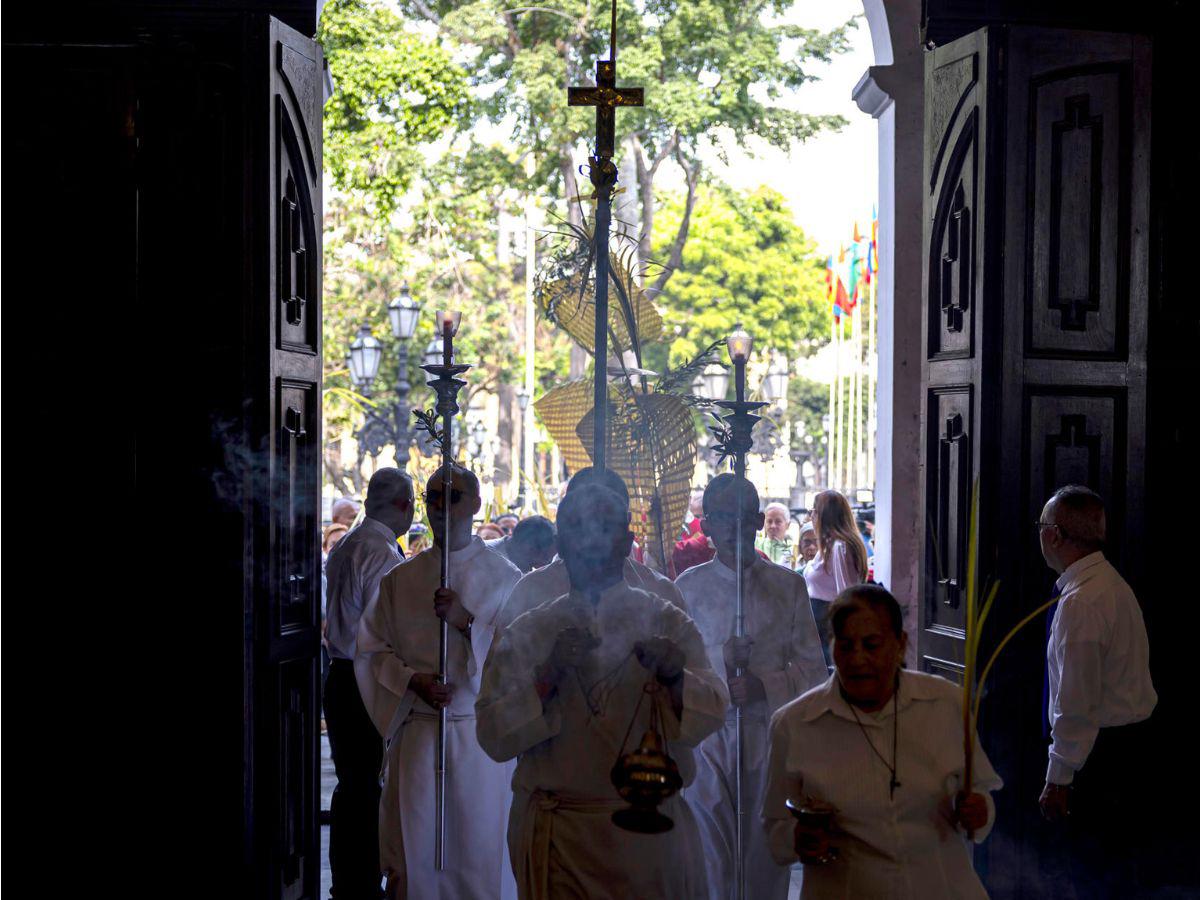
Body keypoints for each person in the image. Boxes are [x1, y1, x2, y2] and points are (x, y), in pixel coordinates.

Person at [476, 484, 729, 899]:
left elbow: (714, 711)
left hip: (648, 836)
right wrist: (548, 676)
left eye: (604, 529)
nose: (592, 541)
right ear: (561, 543)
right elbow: (492, 735)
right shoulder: (532, 628)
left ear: (627, 542)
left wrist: (675, 677)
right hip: (561, 839)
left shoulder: (665, 618)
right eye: (579, 529)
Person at [762, 584, 1002, 899]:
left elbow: (980, 793)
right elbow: (774, 830)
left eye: (872, 645)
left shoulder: (945, 703)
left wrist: (979, 813)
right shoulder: (794, 725)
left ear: (900, 645)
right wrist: (798, 838)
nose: (858, 659)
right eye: (845, 646)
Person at [356, 464, 522, 900]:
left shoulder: (506, 579)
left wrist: (468, 623)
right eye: (432, 497)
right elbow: (372, 651)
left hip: (479, 738)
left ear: (477, 503)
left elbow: (520, 655)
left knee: (479, 855)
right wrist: (413, 681)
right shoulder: (400, 580)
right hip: (422, 733)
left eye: (453, 497)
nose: (440, 508)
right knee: (417, 858)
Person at [676, 475, 826, 900]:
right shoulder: (688, 589)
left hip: (767, 738)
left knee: (765, 857)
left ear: (759, 521)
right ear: (705, 526)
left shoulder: (787, 586)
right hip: (708, 743)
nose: (733, 527)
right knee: (712, 860)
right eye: (721, 518)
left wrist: (764, 685)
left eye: (743, 517)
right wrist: (723, 672)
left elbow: (814, 672)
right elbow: (675, 675)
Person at [1035, 485, 1156, 894]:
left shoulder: (1083, 602)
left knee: (1091, 876)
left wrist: (1058, 777)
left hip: (1100, 758)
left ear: (1053, 534)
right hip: (1125, 747)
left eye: (1041, 526)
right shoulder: (1110, 584)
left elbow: (1076, 703)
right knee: (1116, 871)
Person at [323, 468, 414, 900]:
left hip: (340, 674)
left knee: (352, 784)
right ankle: (359, 884)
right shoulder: (379, 553)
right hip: (362, 676)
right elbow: (385, 627)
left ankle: (349, 881)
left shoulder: (348, 545)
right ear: (403, 505)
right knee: (363, 787)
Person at [495, 467, 688, 629]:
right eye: (580, 523)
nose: (593, 539)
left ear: (626, 535)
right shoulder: (531, 591)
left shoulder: (661, 594)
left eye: (606, 524)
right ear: (560, 539)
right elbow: (498, 669)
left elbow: (697, 671)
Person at [801, 491, 868, 666]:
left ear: (825, 515)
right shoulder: (828, 546)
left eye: (814, 511)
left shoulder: (840, 548)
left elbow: (848, 596)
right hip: (818, 628)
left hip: (828, 629)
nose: (811, 516)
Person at [755, 501, 794, 567]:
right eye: (769, 521)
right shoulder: (756, 544)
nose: (773, 526)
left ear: (787, 525)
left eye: (778, 521)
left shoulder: (792, 549)